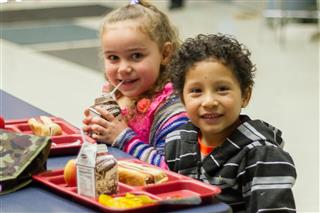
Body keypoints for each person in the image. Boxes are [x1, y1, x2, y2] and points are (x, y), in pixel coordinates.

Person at [165, 34, 297, 212]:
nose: (209, 101)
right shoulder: (176, 141)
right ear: (182, 99)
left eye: (222, 89)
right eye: (196, 91)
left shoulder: (262, 156)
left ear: (245, 96)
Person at [82, 0, 188, 169]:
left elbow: (171, 170)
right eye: (113, 58)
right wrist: (95, 131)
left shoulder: (173, 111)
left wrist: (123, 137)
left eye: (136, 55)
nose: (123, 69)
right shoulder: (115, 97)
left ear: (165, 53)